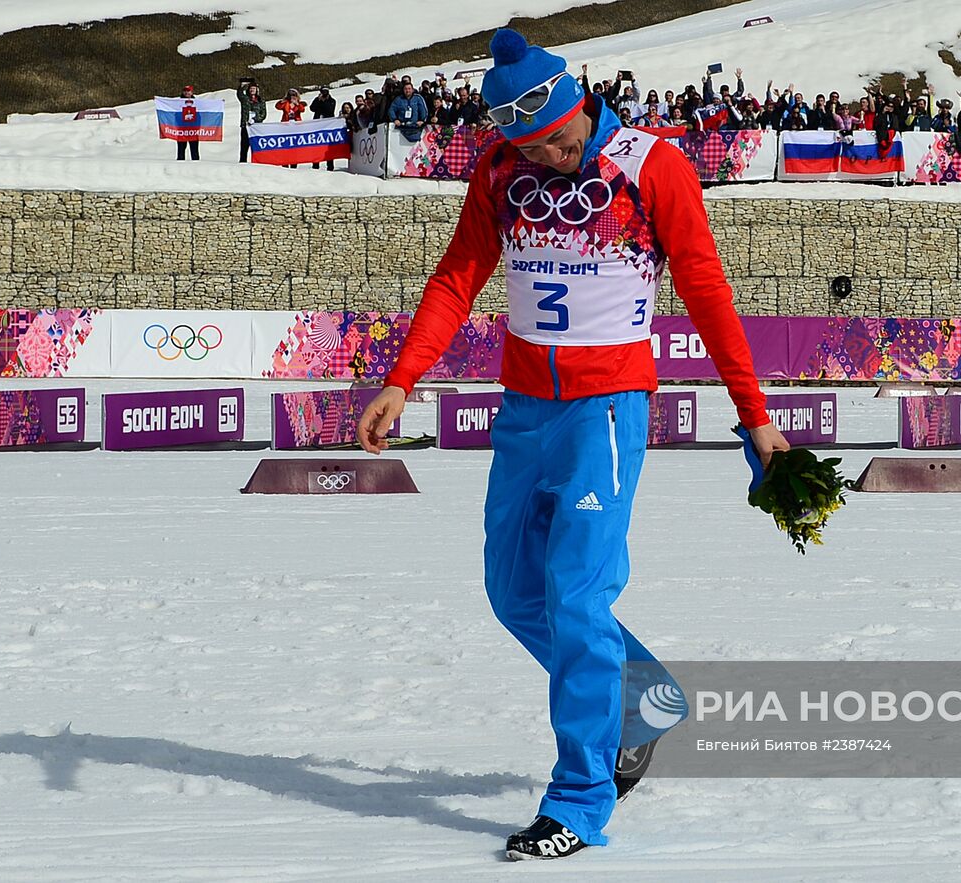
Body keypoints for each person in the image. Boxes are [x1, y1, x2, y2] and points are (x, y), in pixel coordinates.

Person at [355, 27, 788, 861]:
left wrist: (754, 412)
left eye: (554, 140)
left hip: (607, 411)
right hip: (525, 409)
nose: (547, 158)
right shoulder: (499, 172)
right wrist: (402, 379)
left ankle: (582, 796)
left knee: (578, 597)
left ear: (578, 105)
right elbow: (456, 277)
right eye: (529, 146)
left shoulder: (650, 164)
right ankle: (645, 695)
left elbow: (704, 287)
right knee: (515, 591)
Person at [236, 78, 266, 163]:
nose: (252, 90)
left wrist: (255, 119)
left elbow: (263, 114)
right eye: (251, 88)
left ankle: (256, 162)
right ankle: (242, 162)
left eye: (254, 89)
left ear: (257, 90)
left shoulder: (261, 101)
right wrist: (242, 86)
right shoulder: (245, 99)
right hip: (246, 125)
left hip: (256, 127)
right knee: (244, 146)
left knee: (255, 146)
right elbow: (239, 94)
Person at [310, 87, 337, 170]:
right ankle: (315, 165)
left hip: (328, 126)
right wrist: (318, 100)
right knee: (316, 146)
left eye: (325, 91)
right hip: (317, 125)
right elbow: (312, 108)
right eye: (323, 91)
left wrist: (323, 101)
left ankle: (330, 166)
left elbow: (329, 110)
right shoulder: (317, 99)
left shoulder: (332, 101)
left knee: (328, 147)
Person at [175, 85, 200, 161]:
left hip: (193, 129)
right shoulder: (177, 103)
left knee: (194, 150)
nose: (186, 92)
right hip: (182, 129)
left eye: (188, 91)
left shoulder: (197, 103)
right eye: (185, 91)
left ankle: (196, 166)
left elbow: (200, 115)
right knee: (181, 150)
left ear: (192, 92)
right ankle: (179, 166)